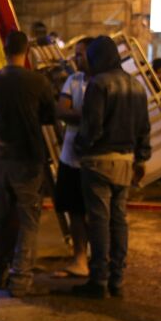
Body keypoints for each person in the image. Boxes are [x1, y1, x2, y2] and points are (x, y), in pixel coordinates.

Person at [62, 36, 151, 299]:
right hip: (126, 161)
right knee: (119, 220)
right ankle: (117, 279)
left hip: (98, 162)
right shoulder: (135, 85)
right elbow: (144, 128)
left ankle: (98, 280)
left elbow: (92, 127)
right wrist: (142, 158)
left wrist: (80, 146)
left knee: (99, 221)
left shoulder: (99, 83)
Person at [0, 31, 57, 297]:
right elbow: (49, 115)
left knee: (0, 216)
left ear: (5, 50)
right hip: (28, 157)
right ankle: (20, 279)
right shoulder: (37, 81)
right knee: (29, 219)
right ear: (27, 50)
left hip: (2, 157)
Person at [52, 39, 91, 278]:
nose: (77, 59)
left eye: (82, 55)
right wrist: (87, 116)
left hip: (94, 159)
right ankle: (79, 258)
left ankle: (99, 259)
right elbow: (61, 110)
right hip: (71, 157)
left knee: (97, 212)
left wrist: (77, 115)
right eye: (76, 55)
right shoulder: (73, 80)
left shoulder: (102, 83)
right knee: (75, 211)